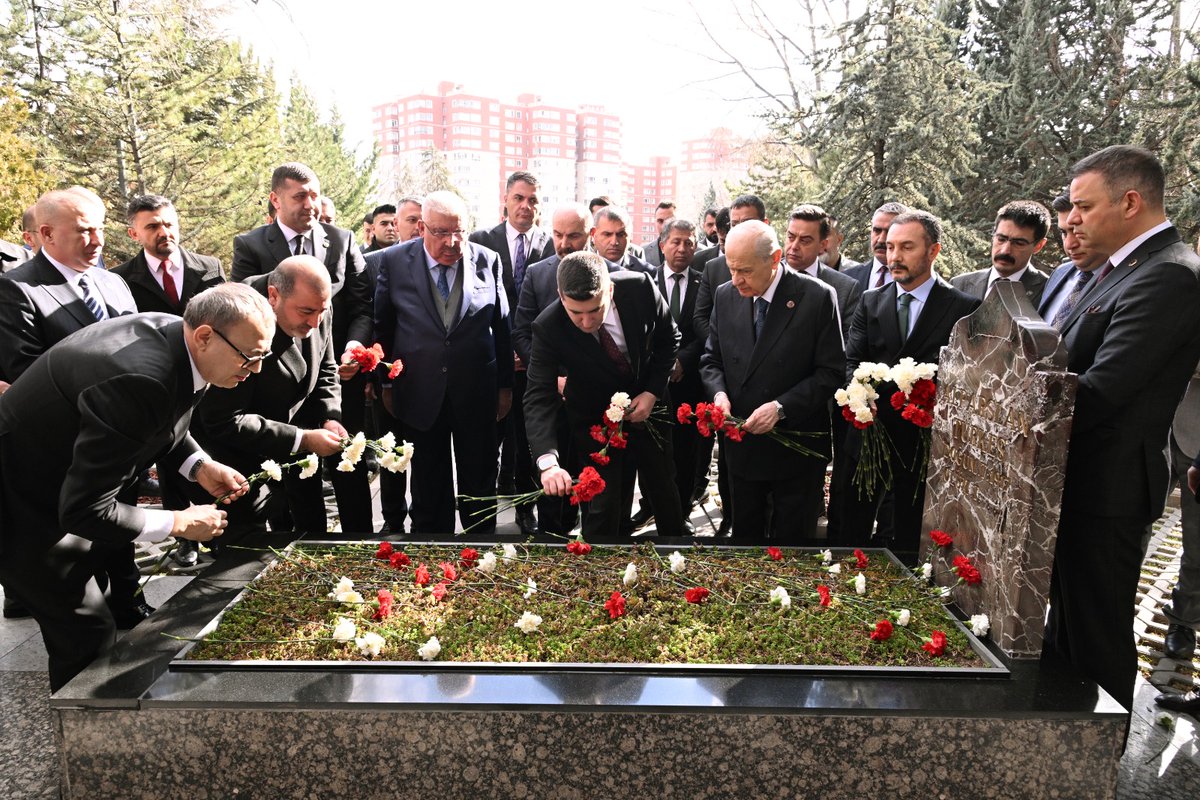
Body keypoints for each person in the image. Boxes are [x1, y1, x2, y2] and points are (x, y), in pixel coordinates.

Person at [0, 282, 270, 691]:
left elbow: (163, 420)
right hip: (21, 505)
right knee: (85, 629)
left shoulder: (179, 340)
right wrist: (178, 523)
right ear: (204, 336)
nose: (256, 371)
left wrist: (198, 465)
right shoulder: (143, 377)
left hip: (61, 486)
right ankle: (89, 743)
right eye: (249, 358)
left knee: (96, 598)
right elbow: (84, 510)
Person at [1043, 145, 1200, 719]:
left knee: (1095, 636)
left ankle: (1096, 758)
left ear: (1130, 201)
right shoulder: (1119, 271)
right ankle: (1063, 744)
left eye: (1083, 206)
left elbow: (1104, 389)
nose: (1073, 218)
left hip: (1107, 487)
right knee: (1066, 629)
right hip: (1075, 475)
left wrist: (1008, 407)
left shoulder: (1171, 276)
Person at [0, 187, 147, 627]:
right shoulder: (17, 289)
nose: (97, 240)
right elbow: (26, 370)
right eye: (84, 231)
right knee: (81, 533)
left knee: (122, 520)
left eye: (100, 228)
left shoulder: (113, 282)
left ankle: (129, 600)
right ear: (46, 233)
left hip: (122, 434)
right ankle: (86, 617)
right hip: (66, 440)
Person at [231, 162, 374, 534]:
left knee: (348, 462)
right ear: (275, 200)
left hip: (333, 372)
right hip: (277, 377)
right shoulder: (251, 245)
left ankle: (359, 539)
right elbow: (243, 299)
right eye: (299, 196)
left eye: (314, 194)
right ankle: (298, 542)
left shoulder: (341, 240)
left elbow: (360, 304)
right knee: (294, 477)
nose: (309, 203)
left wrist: (351, 349)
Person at [835, 210, 980, 558]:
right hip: (868, 439)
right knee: (848, 536)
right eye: (889, 246)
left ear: (933, 251)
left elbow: (966, 378)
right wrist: (860, 399)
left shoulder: (964, 308)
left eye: (907, 247)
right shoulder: (871, 300)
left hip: (920, 450)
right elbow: (852, 362)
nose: (894, 256)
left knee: (906, 543)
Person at [374, 190, 513, 536]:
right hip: (418, 392)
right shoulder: (393, 262)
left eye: (459, 232)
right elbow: (384, 328)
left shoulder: (488, 260)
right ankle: (432, 555)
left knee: (479, 480)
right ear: (422, 227)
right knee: (428, 482)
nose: (452, 242)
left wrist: (505, 388)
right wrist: (386, 384)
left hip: (476, 393)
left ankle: (481, 554)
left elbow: (504, 329)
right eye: (440, 232)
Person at [701, 220, 845, 540]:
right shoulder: (726, 295)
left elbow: (831, 372)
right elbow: (711, 360)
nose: (736, 280)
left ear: (775, 258)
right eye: (731, 268)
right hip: (743, 447)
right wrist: (719, 395)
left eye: (746, 271)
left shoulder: (817, 297)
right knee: (746, 543)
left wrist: (781, 408)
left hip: (796, 449)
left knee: (793, 549)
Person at [525, 251, 683, 538]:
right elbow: (538, 394)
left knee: (663, 486)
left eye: (595, 310)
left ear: (610, 290)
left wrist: (651, 392)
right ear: (561, 297)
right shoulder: (548, 327)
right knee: (602, 503)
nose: (587, 322)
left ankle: (677, 550)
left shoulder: (641, 288)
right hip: (593, 416)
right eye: (576, 313)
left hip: (650, 405)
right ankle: (598, 568)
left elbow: (669, 339)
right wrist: (547, 462)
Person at [193, 257, 348, 544]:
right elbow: (223, 420)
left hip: (300, 442)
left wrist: (330, 415)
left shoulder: (317, 304)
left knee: (311, 533)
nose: (315, 323)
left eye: (322, 312)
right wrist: (301, 438)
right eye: (306, 312)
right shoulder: (233, 318)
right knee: (247, 549)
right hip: (239, 457)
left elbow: (326, 366)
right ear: (273, 295)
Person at [112, 194, 226, 567]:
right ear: (134, 233)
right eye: (152, 226)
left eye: (168, 223)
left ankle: (222, 529)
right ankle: (184, 537)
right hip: (160, 387)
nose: (164, 232)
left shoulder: (208, 268)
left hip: (207, 382)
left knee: (210, 457)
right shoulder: (121, 280)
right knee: (171, 458)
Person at [469, 172, 553, 527]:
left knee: (528, 439)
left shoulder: (549, 244)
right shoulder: (480, 241)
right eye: (519, 198)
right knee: (488, 438)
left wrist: (527, 348)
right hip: (492, 357)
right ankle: (481, 510)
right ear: (505, 200)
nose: (526, 206)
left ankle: (524, 508)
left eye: (533, 200)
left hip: (533, 357)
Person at [950, 201, 1051, 304]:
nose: (1005, 250)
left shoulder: (1049, 291)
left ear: (1039, 246)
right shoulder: (959, 285)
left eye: (1019, 243)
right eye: (1001, 239)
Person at [843, 202, 908, 292]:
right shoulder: (848, 277)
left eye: (889, 232)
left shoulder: (915, 280)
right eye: (877, 230)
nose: (881, 240)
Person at [640, 201, 676, 267]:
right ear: (655, 222)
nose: (664, 226)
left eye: (670, 221)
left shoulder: (696, 251)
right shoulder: (643, 251)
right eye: (660, 221)